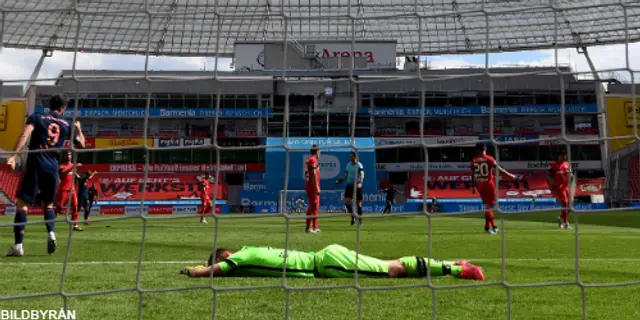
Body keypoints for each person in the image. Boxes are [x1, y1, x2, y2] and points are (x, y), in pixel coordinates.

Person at [4, 94, 85, 257]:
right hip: (53, 167)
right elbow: (82, 145)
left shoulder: (37, 117)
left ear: (50, 105)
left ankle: (18, 246)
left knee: (22, 205)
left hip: (36, 164)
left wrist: (13, 155)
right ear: (63, 109)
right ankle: (51, 234)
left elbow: (24, 135)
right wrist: (78, 128)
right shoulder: (66, 125)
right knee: (48, 205)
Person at [179, 244, 484, 281]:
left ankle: (458, 270)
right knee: (390, 262)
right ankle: (451, 263)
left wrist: (198, 272)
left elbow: (222, 269)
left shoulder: (240, 257)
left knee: (393, 270)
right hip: (327, 256)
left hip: (326, 265)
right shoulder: (250, 248)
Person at [471, 142, 516, 235]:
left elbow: (473, 174)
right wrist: (510, 175)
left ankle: (490, 227)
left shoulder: (474, 160)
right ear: (485, 148)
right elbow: (499, 169)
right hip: (488, 184)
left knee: (488, 206)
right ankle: (491, 227)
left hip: (480, 184)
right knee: (489, 207)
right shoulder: (489, 159)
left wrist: (474, 186)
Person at [55, 151, 83, 231]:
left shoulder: (72, 166)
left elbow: (75, 176)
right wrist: (74, 166)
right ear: (64, 156)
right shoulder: (61, 166)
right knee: (59, 207)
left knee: (75, 207)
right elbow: (63, 173)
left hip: (72, 190)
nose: (68, 156)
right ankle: (51, 219)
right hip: (64, 190)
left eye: (70, 154)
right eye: (67, 154)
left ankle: (75, 225)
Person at [336, 151, 364, 226]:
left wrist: (361, 182)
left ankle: (360, 221)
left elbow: (362, 174)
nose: (350, 157)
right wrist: (340, 180)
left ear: (355, 157)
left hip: (357, 185)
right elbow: (346, 175)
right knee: (347, 202)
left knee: (358, 204)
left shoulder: (359, 164)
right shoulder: (348, 165)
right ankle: (353, 216)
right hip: (349, 185)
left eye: (351, 156)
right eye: (350, 156)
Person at [547, 149, 573, 230]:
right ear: (559, 156)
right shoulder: (554, 165)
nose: (564, 156)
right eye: (563, 155)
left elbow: (570, 174)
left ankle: (560, 218)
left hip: (567, 186)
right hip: (560, 187)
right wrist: (552, 184)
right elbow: (548, 176)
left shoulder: (567, 164)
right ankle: (566, 224)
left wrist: (571, 177)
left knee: (570, 207)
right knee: (565, 203)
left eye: (565, 155)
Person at [304, 145, 320, 233]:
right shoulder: (312, 160)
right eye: (319, 151)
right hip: (312, 186)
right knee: (313, 206)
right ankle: (308, 227)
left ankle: (315, 227)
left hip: (312, 185)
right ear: (317, 151)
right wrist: (316, 186)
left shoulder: (310, 159)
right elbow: (313, 173)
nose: (320, 153)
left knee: (315, 206)